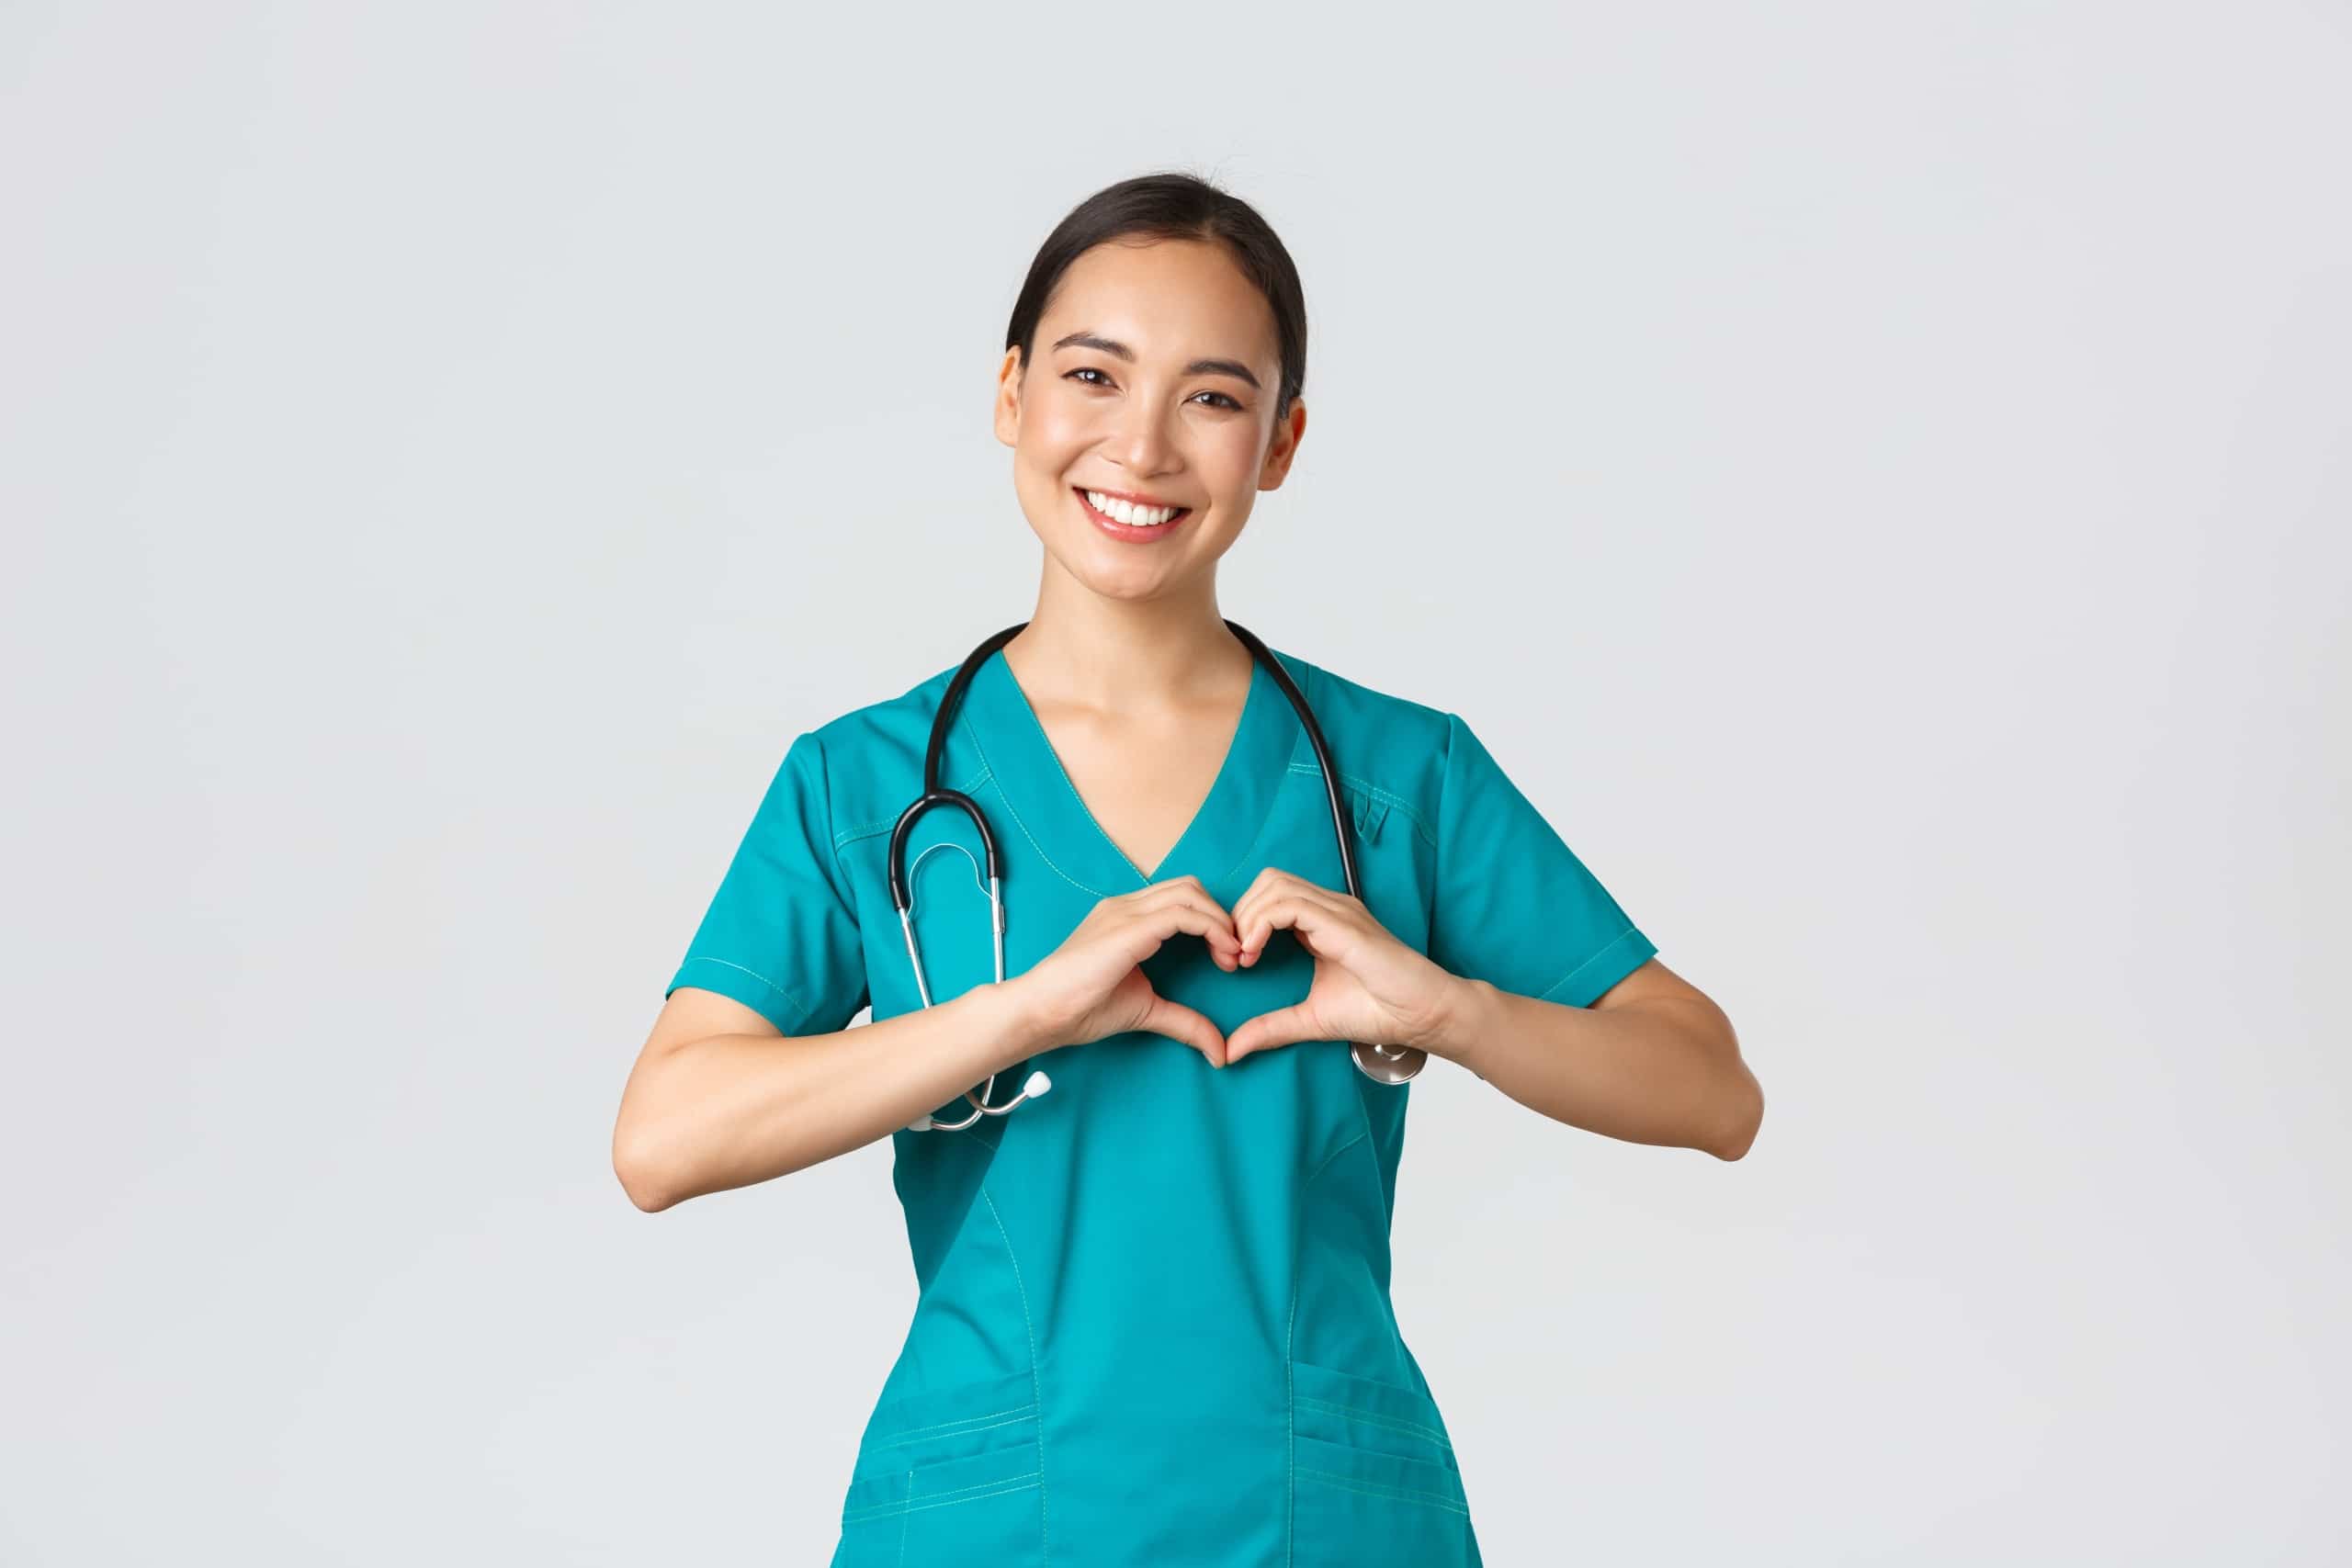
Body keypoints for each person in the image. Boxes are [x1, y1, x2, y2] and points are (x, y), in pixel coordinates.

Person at [613, 170, 1762, 1567]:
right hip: (993, 1520)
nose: (1142, 446)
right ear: (1010, 396)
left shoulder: (1397, 780)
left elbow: (1711, 1088)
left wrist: (1447, 1011)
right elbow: (664, 1139)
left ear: (1278, 445)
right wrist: (1022, 1010)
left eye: (1212, 399)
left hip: (1329, 1522)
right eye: (1093, 374)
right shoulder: (867, 787)